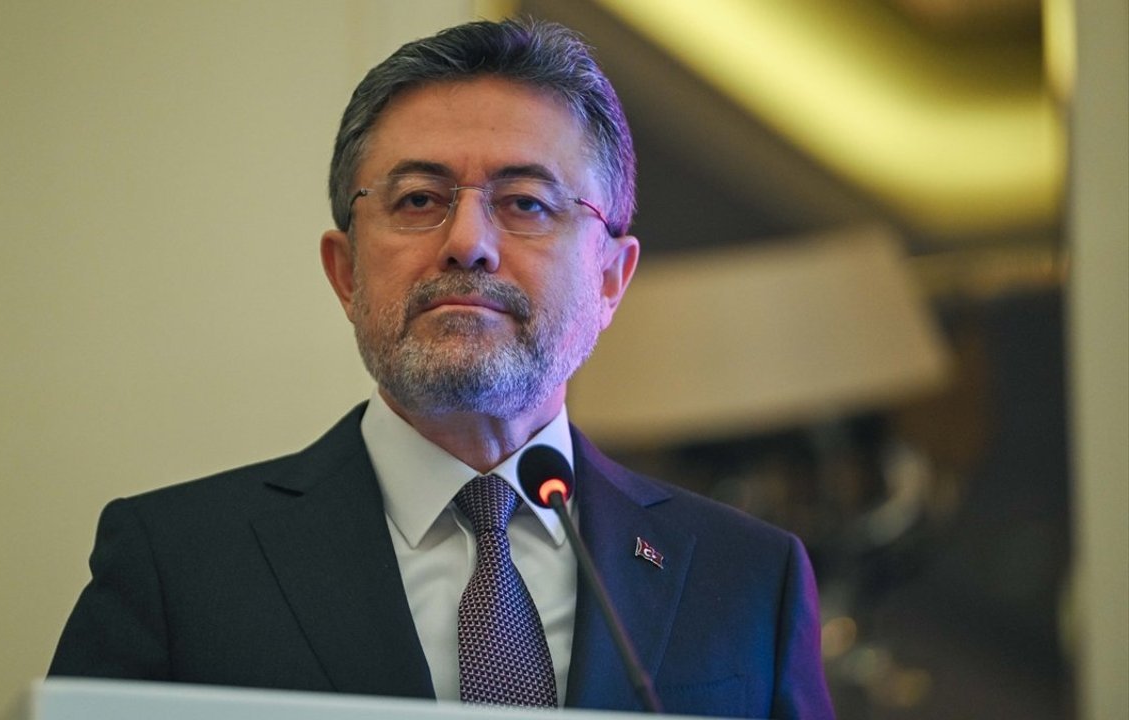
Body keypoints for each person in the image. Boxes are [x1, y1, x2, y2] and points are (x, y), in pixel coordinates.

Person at [49, 18, 834, 719]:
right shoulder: (177, 564)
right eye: (420, 200)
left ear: (609, 279)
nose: (468, 243)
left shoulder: (745, 579)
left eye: (525, 203)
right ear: (347, 273)